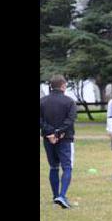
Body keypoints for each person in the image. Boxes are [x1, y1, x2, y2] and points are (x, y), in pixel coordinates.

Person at [40, 74, 77, 209]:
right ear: (63, 86)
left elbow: (41, 120)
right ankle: (62, 195)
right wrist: (59, 131)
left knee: (53, 167)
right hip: (65, 138)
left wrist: (50, 132)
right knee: (67, 167)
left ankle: (55, 195)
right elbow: (70, 119)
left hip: (48, 139)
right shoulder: (69, 102)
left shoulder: (42, 101)